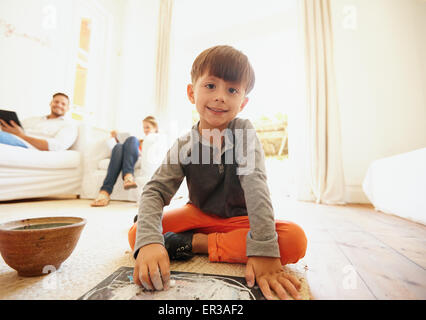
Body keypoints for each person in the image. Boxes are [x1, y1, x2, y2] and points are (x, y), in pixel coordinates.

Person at [128, 45, 308, 300]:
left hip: (240, 219)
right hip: (198, 214)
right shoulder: (184, 144)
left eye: (232, 90)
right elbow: (155, 190)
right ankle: (190, 240)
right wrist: (149, 242)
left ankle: (193, 244)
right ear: (192, 92)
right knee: (138, 235)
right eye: (210, 86)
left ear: (243, 102)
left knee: (294, 240)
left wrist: (265, 250)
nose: (220, 96)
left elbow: (255, 184)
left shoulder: (244, 133)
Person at [91, 116, 159, 207]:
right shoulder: (140, 141)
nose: (145, 130)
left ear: (155, 128)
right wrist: (114, 138)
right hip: (125, 156)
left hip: (137, 157)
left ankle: (105, 191)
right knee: (118, 146)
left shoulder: (156, 140)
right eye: (144, 127)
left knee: (132, 139)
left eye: (148, 127)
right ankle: (127, 177)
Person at [0, 93, 77, 151]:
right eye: (56, 102)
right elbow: (13, 129)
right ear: (51, 103)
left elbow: (55, 146)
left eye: (63, 104)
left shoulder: (69, 126)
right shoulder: (34, 119)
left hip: (26, 143)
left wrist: (21, 135)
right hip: (14, 136)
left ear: (68, 108)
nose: (59, 105)